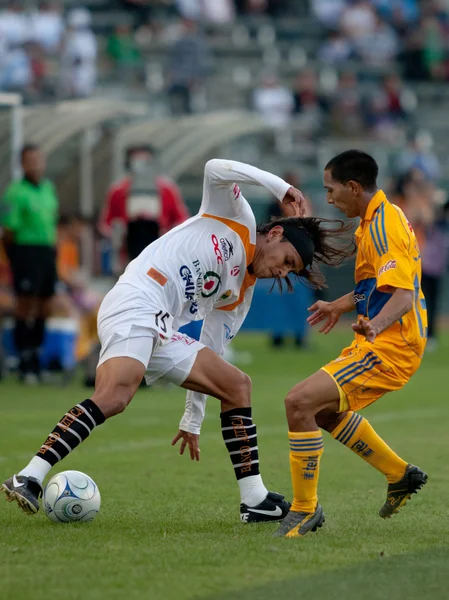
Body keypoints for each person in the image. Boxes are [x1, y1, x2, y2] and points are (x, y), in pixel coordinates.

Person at [1, 158, 354, 523]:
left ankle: (254, 499)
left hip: (162, 326)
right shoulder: (235, 216)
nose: (282, 271)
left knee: (236, 385)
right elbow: (215, 168)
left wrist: (192, 418)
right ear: (277, 235)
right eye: (287, 261)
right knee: (116, 396)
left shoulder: (239, 294)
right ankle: (30, 475)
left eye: (291, 271)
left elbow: (211, 350)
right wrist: (278, 186)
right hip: (138, 298)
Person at [276, 150, 428, 538]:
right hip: (384, 339)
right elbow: (373, 288)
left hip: (391, 345)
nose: (328, 198)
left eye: (331, 190)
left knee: (298, 402)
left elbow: (402, 297)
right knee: (320, 412)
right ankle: (399, 475)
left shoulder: (383, 227)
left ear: (354, 187)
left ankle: (304, 511)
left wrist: (375, 326)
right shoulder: (373, 220)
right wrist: (339, 305)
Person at [0, 144, 58, 383]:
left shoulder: (48, 188)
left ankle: (36, 356)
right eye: (29, 160)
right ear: (22, 164)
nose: (35, 164)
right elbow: (8, 231)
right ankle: (24, 361)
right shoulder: (14, 192)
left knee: (46, 305)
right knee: (25, 305)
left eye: (38, 159)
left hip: (46, 251)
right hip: (25, 251)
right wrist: (14, 259)